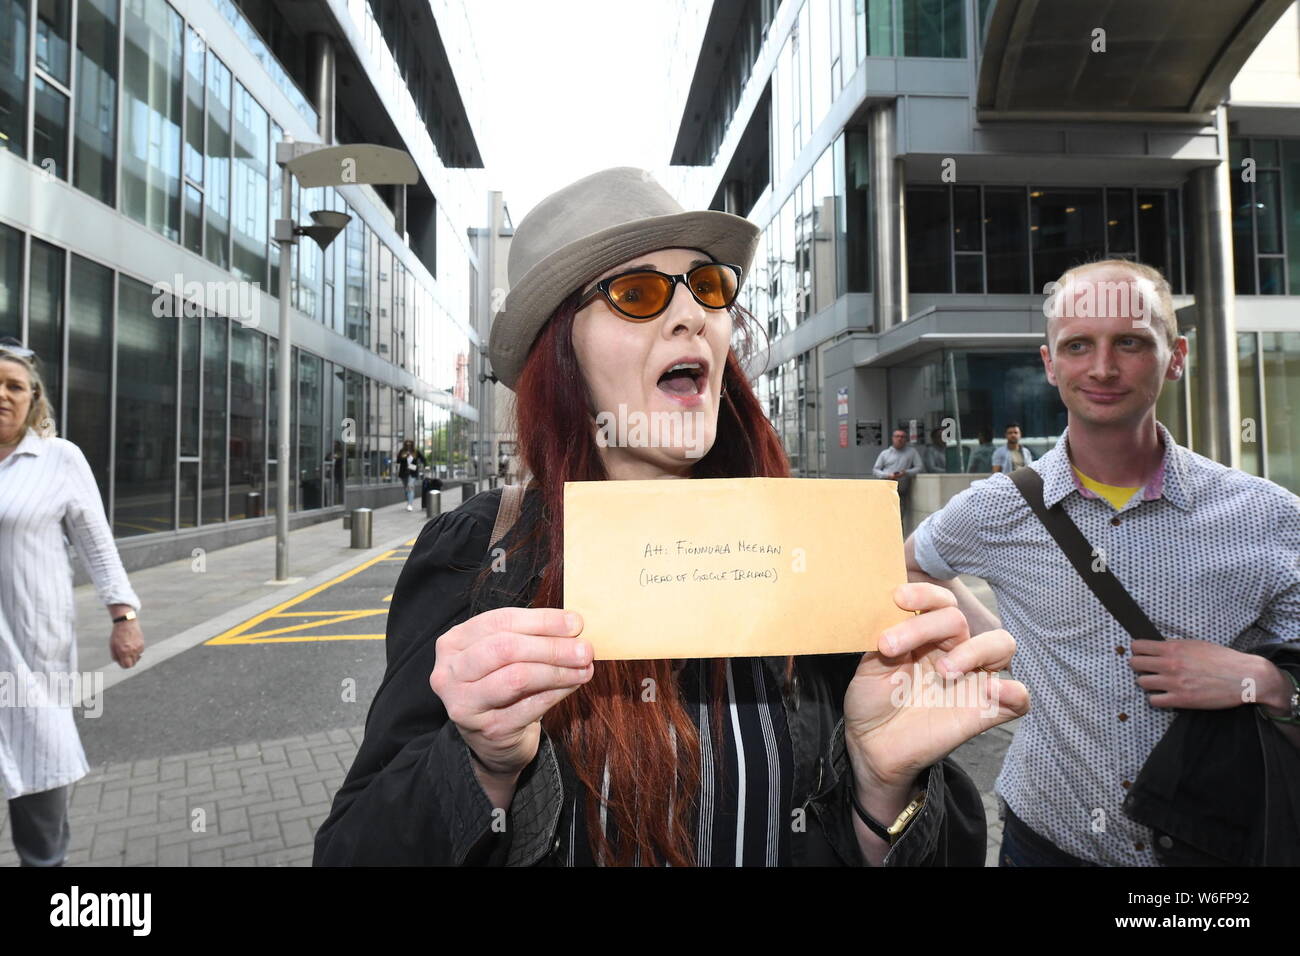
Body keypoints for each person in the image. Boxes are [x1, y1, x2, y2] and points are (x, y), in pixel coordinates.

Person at [314, 167, 1027, 867]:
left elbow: (939, 842)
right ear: (562, 353)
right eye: (637, 293)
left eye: (708, 286)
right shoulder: (481, 553)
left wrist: (884, 790)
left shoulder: (807, 547)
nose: (692, 314)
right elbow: (352, 850)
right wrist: (481, 764)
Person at [905, 258, 1300, 866]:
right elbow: (912, 567)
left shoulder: (1269, 517)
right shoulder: (997, 508)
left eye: (1132, 343)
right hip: (1045, 842)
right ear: (1050, 364)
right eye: (1079, 345)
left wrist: (1269, 684)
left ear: (1176, 356)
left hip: (1214, 852)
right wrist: (1004, 651)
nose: (1103, 367)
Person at [0, 343, 145, 866]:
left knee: (39, 786)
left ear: (33, 398)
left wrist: (123, 617)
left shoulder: (57, 457)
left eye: (15, 386)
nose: (3, 395)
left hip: (30, 651)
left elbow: (97, 544)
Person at [873, 428, 923, 524]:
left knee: (898, 516)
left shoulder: (911, 452)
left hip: (902, 491)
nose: (900, 439)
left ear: (906, 439)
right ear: (893, 438)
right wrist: (888, 475)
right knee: (884, 515)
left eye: (902, 437)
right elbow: (875, 470)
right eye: (897, 436)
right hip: (886, 489)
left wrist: (906, 472)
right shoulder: (885, 453)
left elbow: (919, 467)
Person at [395, 439, 427, 512]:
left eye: (410, 443)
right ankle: (409, 500)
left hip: (413, 472)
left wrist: (426, 466)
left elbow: (423, 459)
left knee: (410, 486)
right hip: (403, 473)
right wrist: (404, 456)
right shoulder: (402, 451)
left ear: (412, 444)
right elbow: (398, 461)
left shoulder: (415, 451)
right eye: (407, 443)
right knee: (406, 489)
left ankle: (410, 504)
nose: (408, 444)